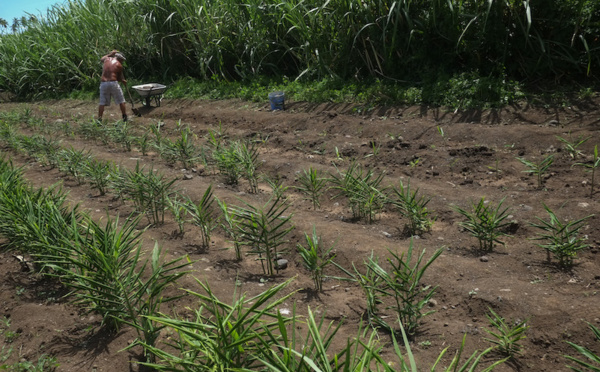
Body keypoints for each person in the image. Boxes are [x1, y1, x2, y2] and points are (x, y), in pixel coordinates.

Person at [98, 50, 128, 122]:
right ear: (120, 59)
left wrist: (110, 54)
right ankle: (124, 117)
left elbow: (101, 59)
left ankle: (99, 119)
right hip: (113, 83)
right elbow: (118, 78)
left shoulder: (106, 59)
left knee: (102, 102)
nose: (122, 62)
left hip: (103, 83)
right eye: (122, 60)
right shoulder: (119, 65)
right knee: (121, 100)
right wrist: (123, 81)